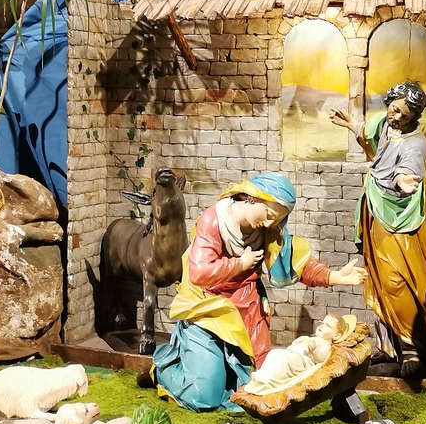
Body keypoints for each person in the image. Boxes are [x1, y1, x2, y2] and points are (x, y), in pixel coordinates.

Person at [152, 172, 365, 411]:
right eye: (268, 215)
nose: (268, 224)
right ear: (253, 198)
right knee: (204, 395)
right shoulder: (215, 220)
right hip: (207, 309)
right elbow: (199, 272)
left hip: (247, 308)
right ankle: (161, 370)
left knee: (261, 384)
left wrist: (334, 276)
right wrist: (240, 264)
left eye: (275, 220)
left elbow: (293, 260)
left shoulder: (266, 229)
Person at [329, 81, 426, 378]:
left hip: (399, 221)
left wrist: (403, 180)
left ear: (414, 116)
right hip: (374, 211)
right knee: (376, 279)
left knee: (397, 282)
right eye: (393, 108)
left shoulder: (416, 143)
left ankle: (413, 346)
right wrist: (351, 124)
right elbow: (370, 133)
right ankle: (389, 347)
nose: (395, 115)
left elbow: (407, 168)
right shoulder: (386, 124)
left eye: (403, 113)